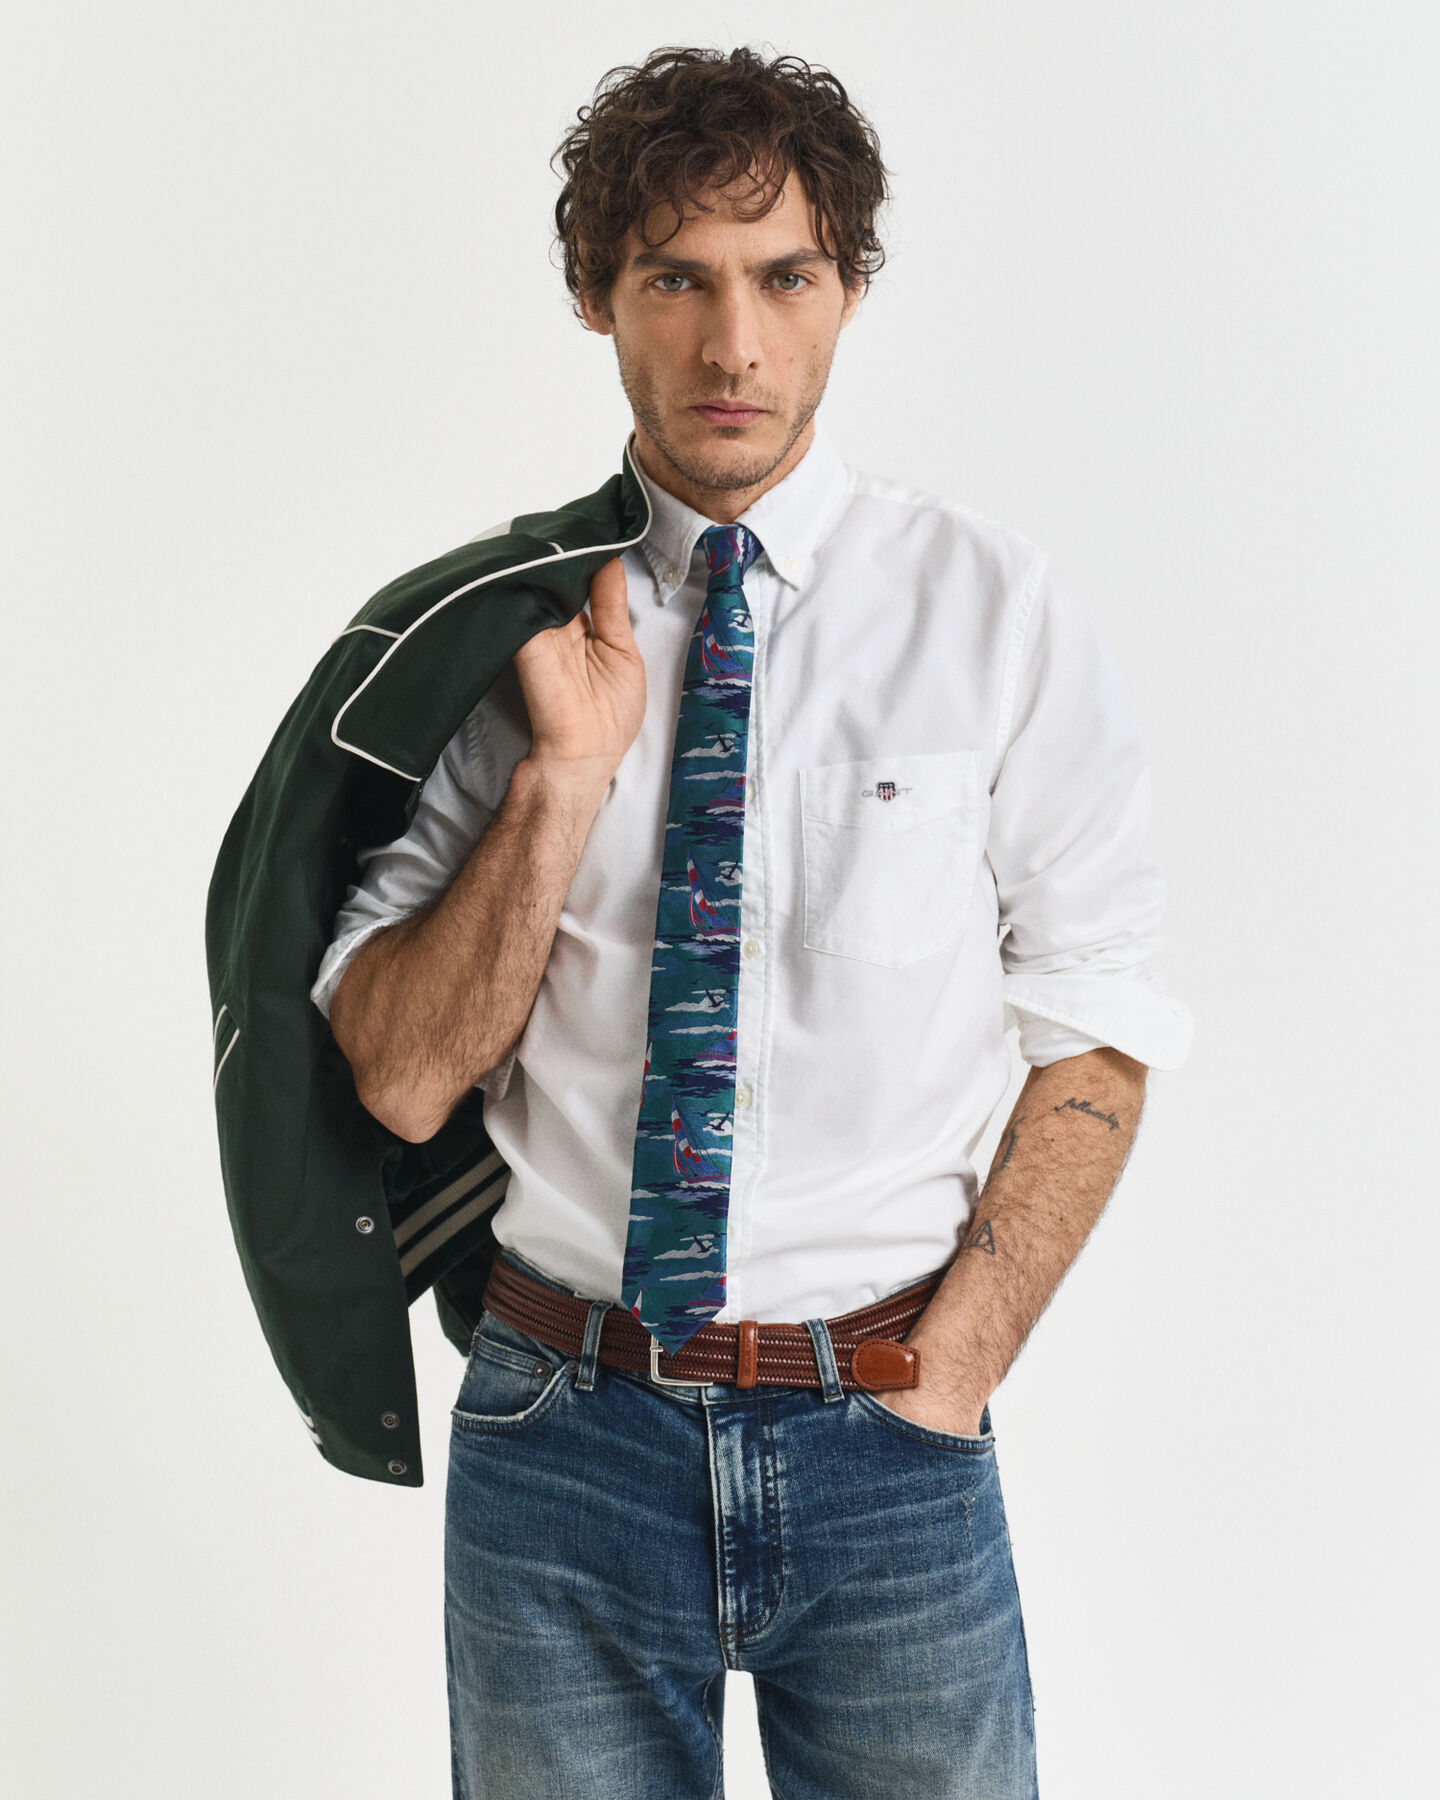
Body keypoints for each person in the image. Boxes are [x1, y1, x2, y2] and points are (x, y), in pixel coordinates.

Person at [310, 44, 1191, 1800]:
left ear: (848, 286)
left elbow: (1095, 1022)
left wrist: (958, 1362)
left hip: (889, 1435)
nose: (734, 346)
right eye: (676, 281)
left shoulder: (994, 614)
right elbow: (400, 1081)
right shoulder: (494, 636)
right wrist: (562, 783)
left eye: (785, 278)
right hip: (562, 1429)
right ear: (595, 294)